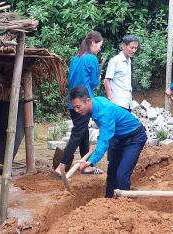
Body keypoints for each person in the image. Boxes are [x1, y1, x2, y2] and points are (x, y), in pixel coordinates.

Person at [70, 86, 147, 198]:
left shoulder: (104, 112)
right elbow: (105, 134)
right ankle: (108, 202)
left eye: (78, 107)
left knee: (121, 175)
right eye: (74, 108)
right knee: (112, 173)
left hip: (134, 138)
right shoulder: (95, 103)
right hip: (118, 137)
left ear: (88, 101)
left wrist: (90, 162)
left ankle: (125, 206)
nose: (76, 110)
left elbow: (105, 140)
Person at [54, 31, 104, 176]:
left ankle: (85, 165)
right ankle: (61, 166)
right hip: (84, 102)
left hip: (72, 101)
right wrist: (98, 77)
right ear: (93, 42)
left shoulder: (75, 58)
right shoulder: (92, 59)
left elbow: (71, 81)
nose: (99, 49)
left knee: (82, 131)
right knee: (78, 133)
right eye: (99, 45)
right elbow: (94, 83)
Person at [104, 35, 139, 111]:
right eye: (132, 47)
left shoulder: (129, 61)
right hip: (117, 103)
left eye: (135, 48)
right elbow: (106, 80)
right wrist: (110, 98)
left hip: (127, 103)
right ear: (124, 46)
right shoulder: (115, 60)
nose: (134, 51)